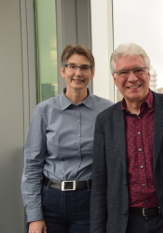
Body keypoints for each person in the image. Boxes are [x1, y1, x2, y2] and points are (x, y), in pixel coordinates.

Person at [90, 43, 163, 233]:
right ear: (115, 79)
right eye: (124, 72)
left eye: (138, 70)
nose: (132, 78)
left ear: (148, 73)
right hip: (126, 224)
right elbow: (100, 184)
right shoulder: (105, 121)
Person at [21, 44, 113, 233]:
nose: (78, 73)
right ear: (63, 71)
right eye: (72, 66)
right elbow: (32, 166)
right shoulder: (44, 111)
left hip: (89, 201)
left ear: (92, 73)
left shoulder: (107, 111)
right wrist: (34, 216)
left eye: (84, 67)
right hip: (50, 200)